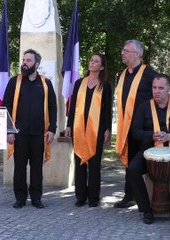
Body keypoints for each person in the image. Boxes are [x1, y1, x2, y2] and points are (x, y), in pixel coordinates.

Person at [129, 74, 170, 224]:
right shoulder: (144, 107)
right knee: (133, 169)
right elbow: (135, 131)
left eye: (161, 88)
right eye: (154, 88)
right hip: (148, 150)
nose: (157, 91)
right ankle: (146, 210)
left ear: (168, 89)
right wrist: (151, 135)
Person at [2, 49, 57, 209]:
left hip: (39, 133)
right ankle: (20, 197)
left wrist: (52, 129)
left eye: (28, 60)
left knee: (36, 167)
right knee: (19, 167)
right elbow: (5, 106)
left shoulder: (46, 83)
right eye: (24, 60)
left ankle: (36, 197)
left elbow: (53, 108)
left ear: (37, 64)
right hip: (19, 133)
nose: (24, 63)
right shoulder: (14, 82)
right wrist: (9, 130)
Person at [114, 39, 158, 208]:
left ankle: (149, 199)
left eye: (126, 51)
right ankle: (129, 196)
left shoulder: (150, 75)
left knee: (145, 163)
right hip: (127, 126)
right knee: (129, 162)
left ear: (137, 54)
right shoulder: (123, 74)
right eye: (123, 50)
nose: (123, 53)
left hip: (145, 128)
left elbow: (157, 98)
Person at [65, 53, 112, 208]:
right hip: (78, 128)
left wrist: (107, 129)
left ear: (102, 66)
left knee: (94, 164)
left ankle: (93, 197)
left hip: (96, 129)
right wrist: (69, 125)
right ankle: (80, 196)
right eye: (91, 60)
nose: (92, 63)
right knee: (79, 162)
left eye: (96, 61)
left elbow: (107, 111)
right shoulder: (79, 83)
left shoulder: (105, 85)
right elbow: (73, 107)